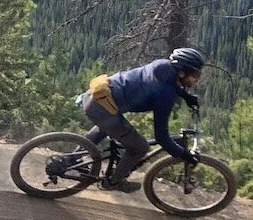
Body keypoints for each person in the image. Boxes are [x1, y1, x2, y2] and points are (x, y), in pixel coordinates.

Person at [73, 47, 205, 193]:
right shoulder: (165, 96)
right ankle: (113, 181)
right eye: (194, 75)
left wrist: (186, 96)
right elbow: (161, 137)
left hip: (96, 97)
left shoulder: (161, 66)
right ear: (181, 72)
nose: (196, 79)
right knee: (140, 147)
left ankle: (70, 160)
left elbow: (166, 83)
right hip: (102, 108)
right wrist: (184, 155)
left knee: (106, 126)